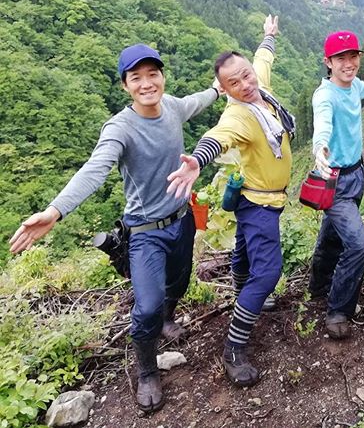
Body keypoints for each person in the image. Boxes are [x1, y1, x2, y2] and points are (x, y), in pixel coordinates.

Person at [9, 43, 222, 412]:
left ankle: (169, 320)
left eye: (152, 74)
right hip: (144, 231)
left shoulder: (172, 106)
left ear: (162, 77)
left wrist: (221, 88)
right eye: (135, 78)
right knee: (146, 307)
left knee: (180, 282)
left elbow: (199, 99)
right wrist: (55, 211)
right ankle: (146, 370)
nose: (146, 83)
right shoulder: (121, 127)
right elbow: (95, 169)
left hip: (182, 220)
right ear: (125, 85)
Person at [166, 15, 295, 387]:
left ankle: (242, 292)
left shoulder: (261, 88)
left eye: (246, 75)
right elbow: (219, 137)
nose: (245, 84)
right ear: (224, 90)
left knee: (243, 253)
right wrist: (198, 160)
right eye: (234, 83)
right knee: (268, 272)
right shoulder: (238, 114)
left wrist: (268, 37)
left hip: (257, 197)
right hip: (259, 204)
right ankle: (234, 349)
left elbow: (263, 59)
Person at [310, 30, 364, 339]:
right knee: (358, 243)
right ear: (328, 62)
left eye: (353, 56)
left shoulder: (354, 84)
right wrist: (320, 148)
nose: (349, 63)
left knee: (333, 235)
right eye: (341, 58)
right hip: (335, 180)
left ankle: (318, 285)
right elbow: (323, 123)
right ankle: (338, 309)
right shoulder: (325, 95)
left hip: (356, 175)